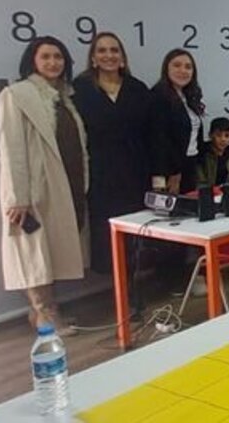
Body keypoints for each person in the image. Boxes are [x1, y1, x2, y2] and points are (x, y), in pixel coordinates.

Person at [0, 36, 88, 333]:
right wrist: (18, 197)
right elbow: (10, 149)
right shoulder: (16, 94)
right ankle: (45, 313)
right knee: (33, 252)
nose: (53, 62)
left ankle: (42, 312)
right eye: (45, 57)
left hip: (63, 183)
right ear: (32, 61)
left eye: (58, 57)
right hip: (34, 190)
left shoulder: (63, 97)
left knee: (51, 251)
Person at [71, 32, 151, 276]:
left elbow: (151, 131)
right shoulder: (79, 90)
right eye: (102, 50)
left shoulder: (137, 88)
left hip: (136, 174)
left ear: (122, 57)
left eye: (114, 50)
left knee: (137, 233)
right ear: (93, 58)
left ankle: (134, 286)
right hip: (100, 175)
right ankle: (118, 288)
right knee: (107, 236)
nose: (109, 55)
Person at [150, 49, 205, 194]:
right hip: (171, 170)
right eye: (177, 65)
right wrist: (173, 171)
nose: (183, 70)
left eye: (188, 67)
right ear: (166, 68)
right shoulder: (158, 96)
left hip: (190, 164)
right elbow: (159, 140)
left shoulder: (188, 96)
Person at [196, 118, 229, 186]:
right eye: (218, 135)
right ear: (211, 135)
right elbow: (199, 182)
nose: (223, 139)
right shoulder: (202, 155)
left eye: (227, 136)